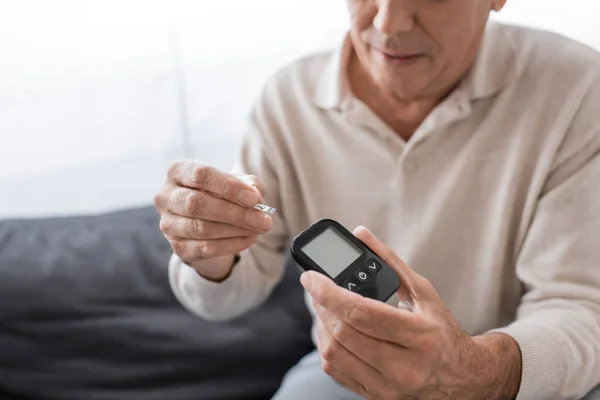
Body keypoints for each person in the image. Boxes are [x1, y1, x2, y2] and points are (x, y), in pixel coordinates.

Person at [154, 0, 600, 399]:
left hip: (522, 378)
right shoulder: (287, 100)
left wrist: (474, 373)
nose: (389, 23)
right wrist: (208, 255)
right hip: (347, 374)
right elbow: (227, 296)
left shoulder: (577, 90)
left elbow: (581, 308)